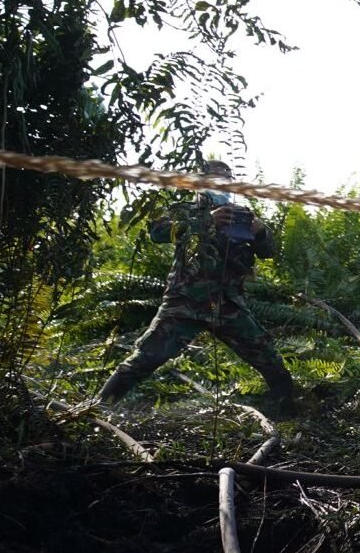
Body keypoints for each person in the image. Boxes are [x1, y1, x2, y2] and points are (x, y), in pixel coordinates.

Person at [96, 160, 296, 409]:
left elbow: (267, 252)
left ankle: (289, 408)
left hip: (227, 303)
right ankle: (98, 408)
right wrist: (206, 222)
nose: (222, 184)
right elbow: (157, 232)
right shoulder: (183, 210)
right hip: (185, 302)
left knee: (267, 355)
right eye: (214, 179)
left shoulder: (240, 213)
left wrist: (261, 232)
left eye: (227, 180)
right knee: (146, 358)